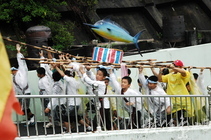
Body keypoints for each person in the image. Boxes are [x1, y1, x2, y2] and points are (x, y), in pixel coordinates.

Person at [55, 65, 92, 132]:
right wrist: (62, 65)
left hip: (72, 103)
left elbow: (63, 74)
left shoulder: (70, 80)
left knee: (65, 118)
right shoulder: (74, 80)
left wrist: (56, 67)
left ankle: (68, 131)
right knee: (75, 118)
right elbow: (65, 72)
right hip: (76, 102)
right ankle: (88, 127)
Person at [157, 60, 194, 126]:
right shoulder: (169, 75)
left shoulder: (184, 73)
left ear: (180, 67)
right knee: (168, 120)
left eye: (175, 66)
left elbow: (183, 72)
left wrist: (172, 67)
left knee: (182, 120)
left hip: (182, 102)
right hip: (172, 101)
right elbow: (160, 79)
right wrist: (160, 71)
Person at [79, 66, 111, 131]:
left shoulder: (100, 83)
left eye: (100, 75)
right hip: (102, 106)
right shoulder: (98, 82)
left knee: (96, 123)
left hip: (103, 106)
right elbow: (91, 79)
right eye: (97, 74)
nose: (97, 76)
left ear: (104, 77)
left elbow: (90, 81)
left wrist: (83, 73)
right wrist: (88, 70)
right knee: (107, 123)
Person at [11, 44, 34, 126]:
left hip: (26, 92)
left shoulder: (22, 72)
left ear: (14, 69)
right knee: (23, 108)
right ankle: (30, 119)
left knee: (25, 108)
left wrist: (18, 52)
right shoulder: (13, 77)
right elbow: (14, 87)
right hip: (20, 94)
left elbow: (21, 62)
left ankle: (32, 119)